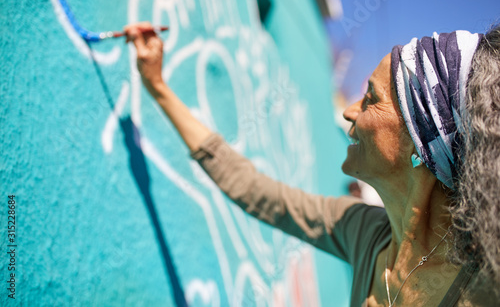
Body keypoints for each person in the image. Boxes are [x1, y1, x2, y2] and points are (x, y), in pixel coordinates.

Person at [123, 22, 500, 306]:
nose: (350, 111)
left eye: (371, 99)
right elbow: (254, 190)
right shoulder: (364, 233)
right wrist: (157, 86)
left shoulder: (485, 289)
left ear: (424, 143)